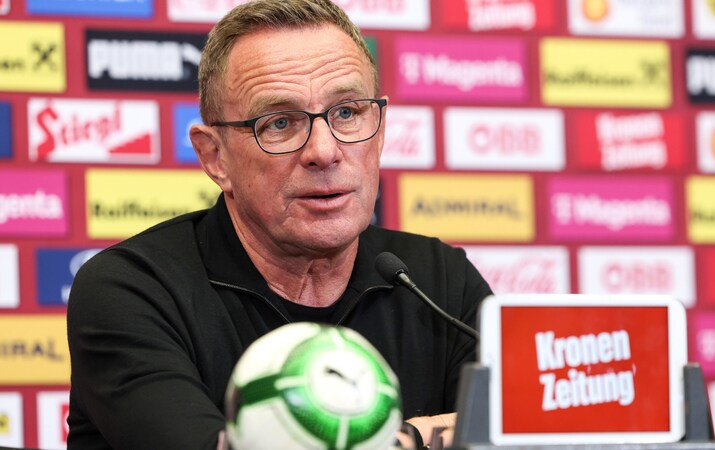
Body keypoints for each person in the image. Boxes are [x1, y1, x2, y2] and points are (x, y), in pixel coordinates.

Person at [66, 0, 492, 448]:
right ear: (216, 157)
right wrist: (419, 436)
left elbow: (526, 431)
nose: (324, 151)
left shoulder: (437, 281)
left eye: (347, 112)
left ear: (380, 127)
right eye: (280, 123)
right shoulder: (132, 290)